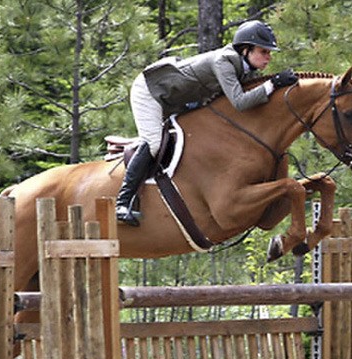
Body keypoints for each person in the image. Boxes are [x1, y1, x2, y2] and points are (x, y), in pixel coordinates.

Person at [116, 20, 298, 226]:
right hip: (152, 91)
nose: (268, 57)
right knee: (154, 143)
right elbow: (239, 102)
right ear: (246, 50)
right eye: (264, 51)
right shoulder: (225, 61)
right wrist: (273, 83)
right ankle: (123, 202)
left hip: (178, 98)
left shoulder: (244, 67)